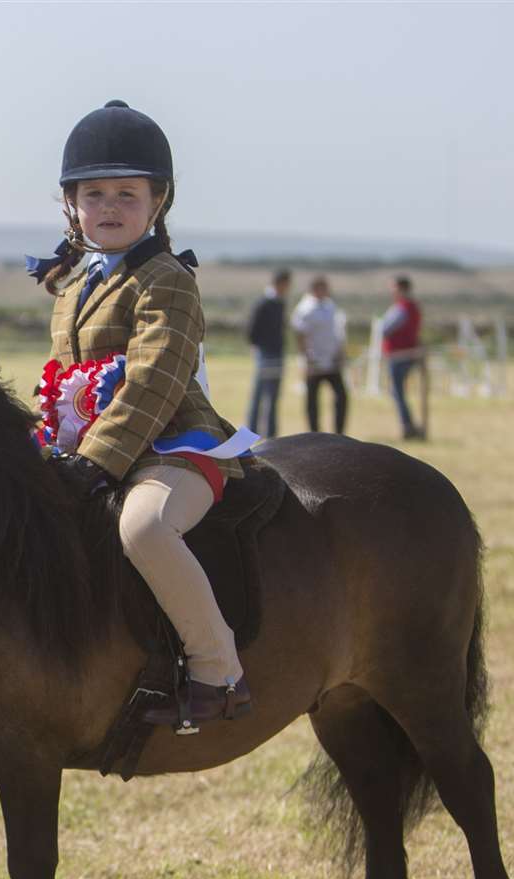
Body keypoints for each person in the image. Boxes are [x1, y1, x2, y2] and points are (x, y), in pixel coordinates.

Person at [27, 100, 259, 730]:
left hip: (174, 448)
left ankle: (219, 668)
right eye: (93, 193)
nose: (109, 206)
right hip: (89, 451)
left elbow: (155, 380)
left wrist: (94, 463)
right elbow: (61, 383)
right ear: (71, 204)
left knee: (144, 530)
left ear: (158, 201)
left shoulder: (166, 279)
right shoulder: (72, 288)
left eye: (127, 194)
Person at [290, 275, 348, 434]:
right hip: (314, 361)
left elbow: (337, 331)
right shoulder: (305, 309)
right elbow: (300, 335)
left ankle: (339, 432)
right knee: (312, 400)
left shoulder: (330, 306)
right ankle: (314, 432)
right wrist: (307, 358)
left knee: (341, 396)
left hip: (332, 360)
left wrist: (340, 352)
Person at [245, 269, 291, 439]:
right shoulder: (263, 303)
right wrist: (258, 347)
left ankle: (271, 433)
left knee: (274, 395)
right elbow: (252, 330)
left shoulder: (281, 303)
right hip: (265, 354)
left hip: (278, 353)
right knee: (259, 394)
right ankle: (252, 431)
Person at [380, 275, 424, 438]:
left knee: (397, 392)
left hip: (400, 355)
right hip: (406, 353)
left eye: (394, 288)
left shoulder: (402, 308)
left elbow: (386, 328)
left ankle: (407, 425)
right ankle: (408, 424)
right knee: (397, 392)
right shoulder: (412, 307)